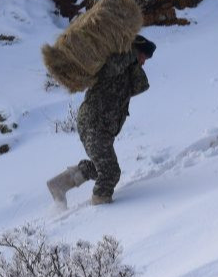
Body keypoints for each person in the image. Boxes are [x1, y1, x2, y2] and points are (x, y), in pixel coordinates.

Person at [47, 35, 156, 207]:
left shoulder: (127, 72)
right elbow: (112, 66)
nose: (145, 61)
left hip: (101, 126)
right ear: (135, 51)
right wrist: (131, 54)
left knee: (103, 167)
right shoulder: (113, 64)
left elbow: (141, 85)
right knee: (110, 172)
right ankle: (99, 209)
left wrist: (135, 63)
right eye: (144, 55)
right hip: (94, 122)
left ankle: (60, 184)